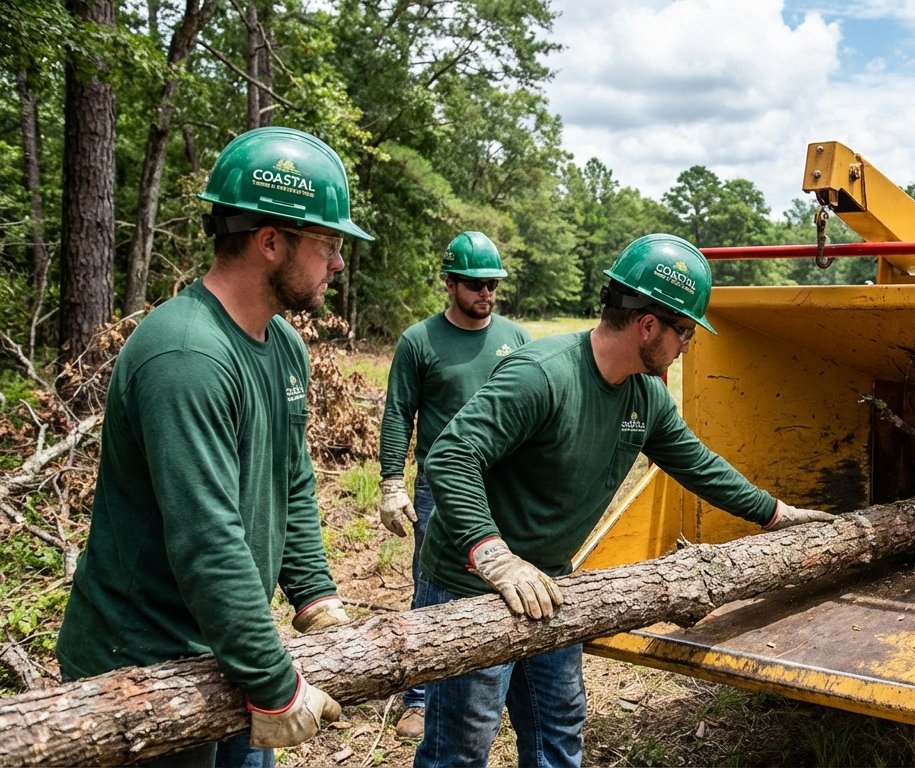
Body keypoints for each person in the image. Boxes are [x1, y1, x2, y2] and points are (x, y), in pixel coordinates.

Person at [413, 233, 836, 768]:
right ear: (648, 325)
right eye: (684, 332)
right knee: (462, 748)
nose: (688, 346)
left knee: (557, 730)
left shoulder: (645, 396)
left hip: (549, 583)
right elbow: (451, 454)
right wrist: (493, 555)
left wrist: (777, 514)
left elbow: (697, 464)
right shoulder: (542, 375)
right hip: (469, 584)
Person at [56, 126, 372, 768]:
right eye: (329, 244)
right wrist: (279, 685)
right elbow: (207, 537)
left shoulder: (282, 345)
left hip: (232, 651)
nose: (337, 263)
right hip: (144, 671)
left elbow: (293, 478)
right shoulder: (187, 354)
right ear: (270, 241)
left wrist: (315, 597)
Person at [377, 231, 530, 739]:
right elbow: (399, 412)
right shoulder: (419, 341)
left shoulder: (515, 337)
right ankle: (418, 697)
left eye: (492, 284)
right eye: (474, 284)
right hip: (440, 490)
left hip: (501, 484)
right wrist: (390, 481)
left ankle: (488, 683)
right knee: (433, 586)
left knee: (499, 579)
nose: (485, 293)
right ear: (449, 283)